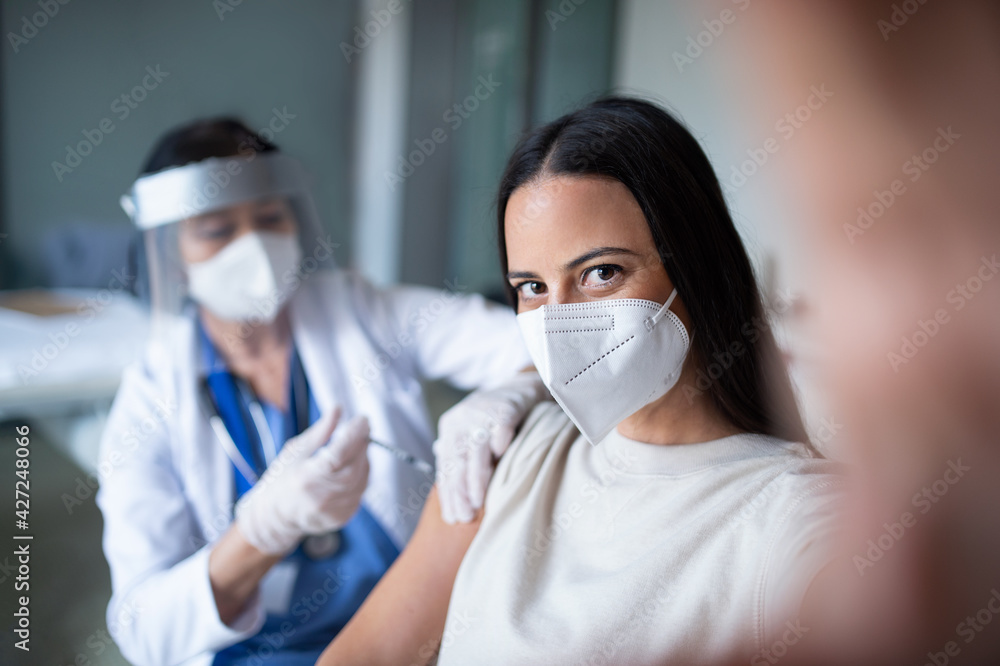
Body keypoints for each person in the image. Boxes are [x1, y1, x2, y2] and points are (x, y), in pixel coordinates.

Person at [319, 97, 846, 665]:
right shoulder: (505, 455)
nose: (559, 321)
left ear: (695, 267)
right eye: (532, 287)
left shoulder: (796, 519)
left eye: (600, 273)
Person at [96, 118, 548, 665]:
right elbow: (143, 630)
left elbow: (538, 342)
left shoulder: (361, 311)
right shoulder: (148, 401)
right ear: (169, 254)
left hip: (408, 626)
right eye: (217, 230)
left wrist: (506, 396)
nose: (254, 247)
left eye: (269, 219)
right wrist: (263, 530)